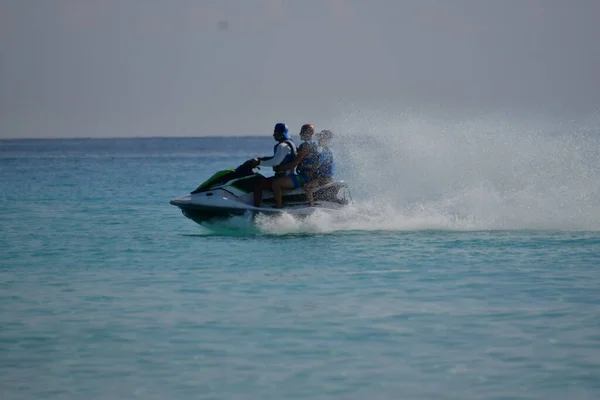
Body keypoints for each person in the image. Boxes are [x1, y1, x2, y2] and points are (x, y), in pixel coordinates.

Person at [271, 124, 320, 208]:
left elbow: (295, 163)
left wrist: (279, 168)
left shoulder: (305, 145)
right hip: (313, 177)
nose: (300, 133)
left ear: (309, 133)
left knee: (276, 183)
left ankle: (278, 207)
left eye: (302, 131)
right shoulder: (314, 144)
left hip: (305, 178)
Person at [252, 123, 297, 207]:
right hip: (289, 175)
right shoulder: (290, 143)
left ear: (280, 134)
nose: (273, 135)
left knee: (258, 183)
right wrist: (261, 158)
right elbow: (278, 157)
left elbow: (275, 161)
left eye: (275, 133)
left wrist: (260, 163)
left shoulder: (283, 146)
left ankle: (257, 207)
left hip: (284, 177)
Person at [303, 129, 335, 206]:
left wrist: (304, 165)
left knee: (307, 186)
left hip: (324, 178)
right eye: (319, 138)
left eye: (321, 138)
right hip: (327, 177)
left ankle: (311, 205)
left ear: (325, 140)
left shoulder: (325, 152)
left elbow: (316, 166)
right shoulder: (328, 150)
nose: (319, 140)